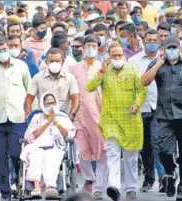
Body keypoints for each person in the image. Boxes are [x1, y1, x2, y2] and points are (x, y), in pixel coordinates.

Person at [86, 42, 147, 201]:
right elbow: (89, 87)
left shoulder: (133, 69)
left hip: (130, 120)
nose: (117, 58)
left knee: (130, 157)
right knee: (112, 153)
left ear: (124, 55)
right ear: (109, 57)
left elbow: (142, 89)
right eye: (114, 56)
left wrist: (137, 103)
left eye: (120, 55)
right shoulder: (104, 71)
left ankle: (131, 187)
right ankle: (114, 186)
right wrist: (100, 72)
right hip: (110, 120)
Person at [141, 36, 182, 201]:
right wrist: (157, 63)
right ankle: (170, 174)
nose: (172, 51)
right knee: (164, 151)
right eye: (169, 48)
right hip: (164, 115)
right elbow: (144, 81)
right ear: (163, 49)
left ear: (179, 48)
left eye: (174, 47)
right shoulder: (157, 64)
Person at [0, 34, 30, 201]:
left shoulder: (21, 66)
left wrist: (29, 111)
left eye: (5, 49)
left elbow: (29, 90)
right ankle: (5, 193)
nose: (3, 52)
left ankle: (18, 181)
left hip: (17, 118)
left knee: (17, 153)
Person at [70, 34, 107, 200]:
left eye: (94, 45)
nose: (91, 48)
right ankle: (89, 177)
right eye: (88, 45)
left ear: (98, 48)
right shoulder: (75, 68)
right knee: (81, 150)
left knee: (102, 151)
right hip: (79, 115)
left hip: (100, 115)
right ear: (83, 48)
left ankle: (98, 186)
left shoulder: (103, 67)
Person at [128, 29, 166, 193]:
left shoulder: (165, 59)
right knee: (145, 147)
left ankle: (164, 178)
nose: (152, 42)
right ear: (144, 41)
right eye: (149, 39)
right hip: (140, 108)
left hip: (159, 107)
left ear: (159, 41)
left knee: (158, 143)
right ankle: (148, 179)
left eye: (155, 39)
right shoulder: (134, 61)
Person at [21, 92, 76, 198]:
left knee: (51, 157)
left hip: (55, 147)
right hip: (37, 146)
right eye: (47, 103)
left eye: (52, 103)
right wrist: (47, 122)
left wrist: (55, 122)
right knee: (35, 156)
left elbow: (70, 135)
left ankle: (50, 187)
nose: (51, 106)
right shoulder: (37, 117)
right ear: (42, 104)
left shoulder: (62, 117)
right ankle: (36, 186)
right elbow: (29, 137)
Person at [24, 47, 80, 118]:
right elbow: (29, 98)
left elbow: (76, 99)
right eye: (51, 61)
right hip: (43, 119)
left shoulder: (70, 78)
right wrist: (28, 114)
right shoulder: (37, 78)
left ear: (63, 61)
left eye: (57, 61)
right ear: (46, 61)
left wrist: (72, 114)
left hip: (62, 118)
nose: (54, 63)